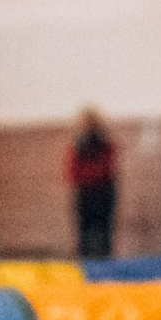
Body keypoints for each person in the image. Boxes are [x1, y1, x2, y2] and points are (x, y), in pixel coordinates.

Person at [65, 107, 117, 260]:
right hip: (86, 194)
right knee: (85, 236)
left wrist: (91, 176)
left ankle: (103, 262)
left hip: (102, 193)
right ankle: (86, 262)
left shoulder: (104, 144)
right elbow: (72, 172)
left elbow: (107, 169)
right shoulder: (78, 146)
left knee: (103, 235)